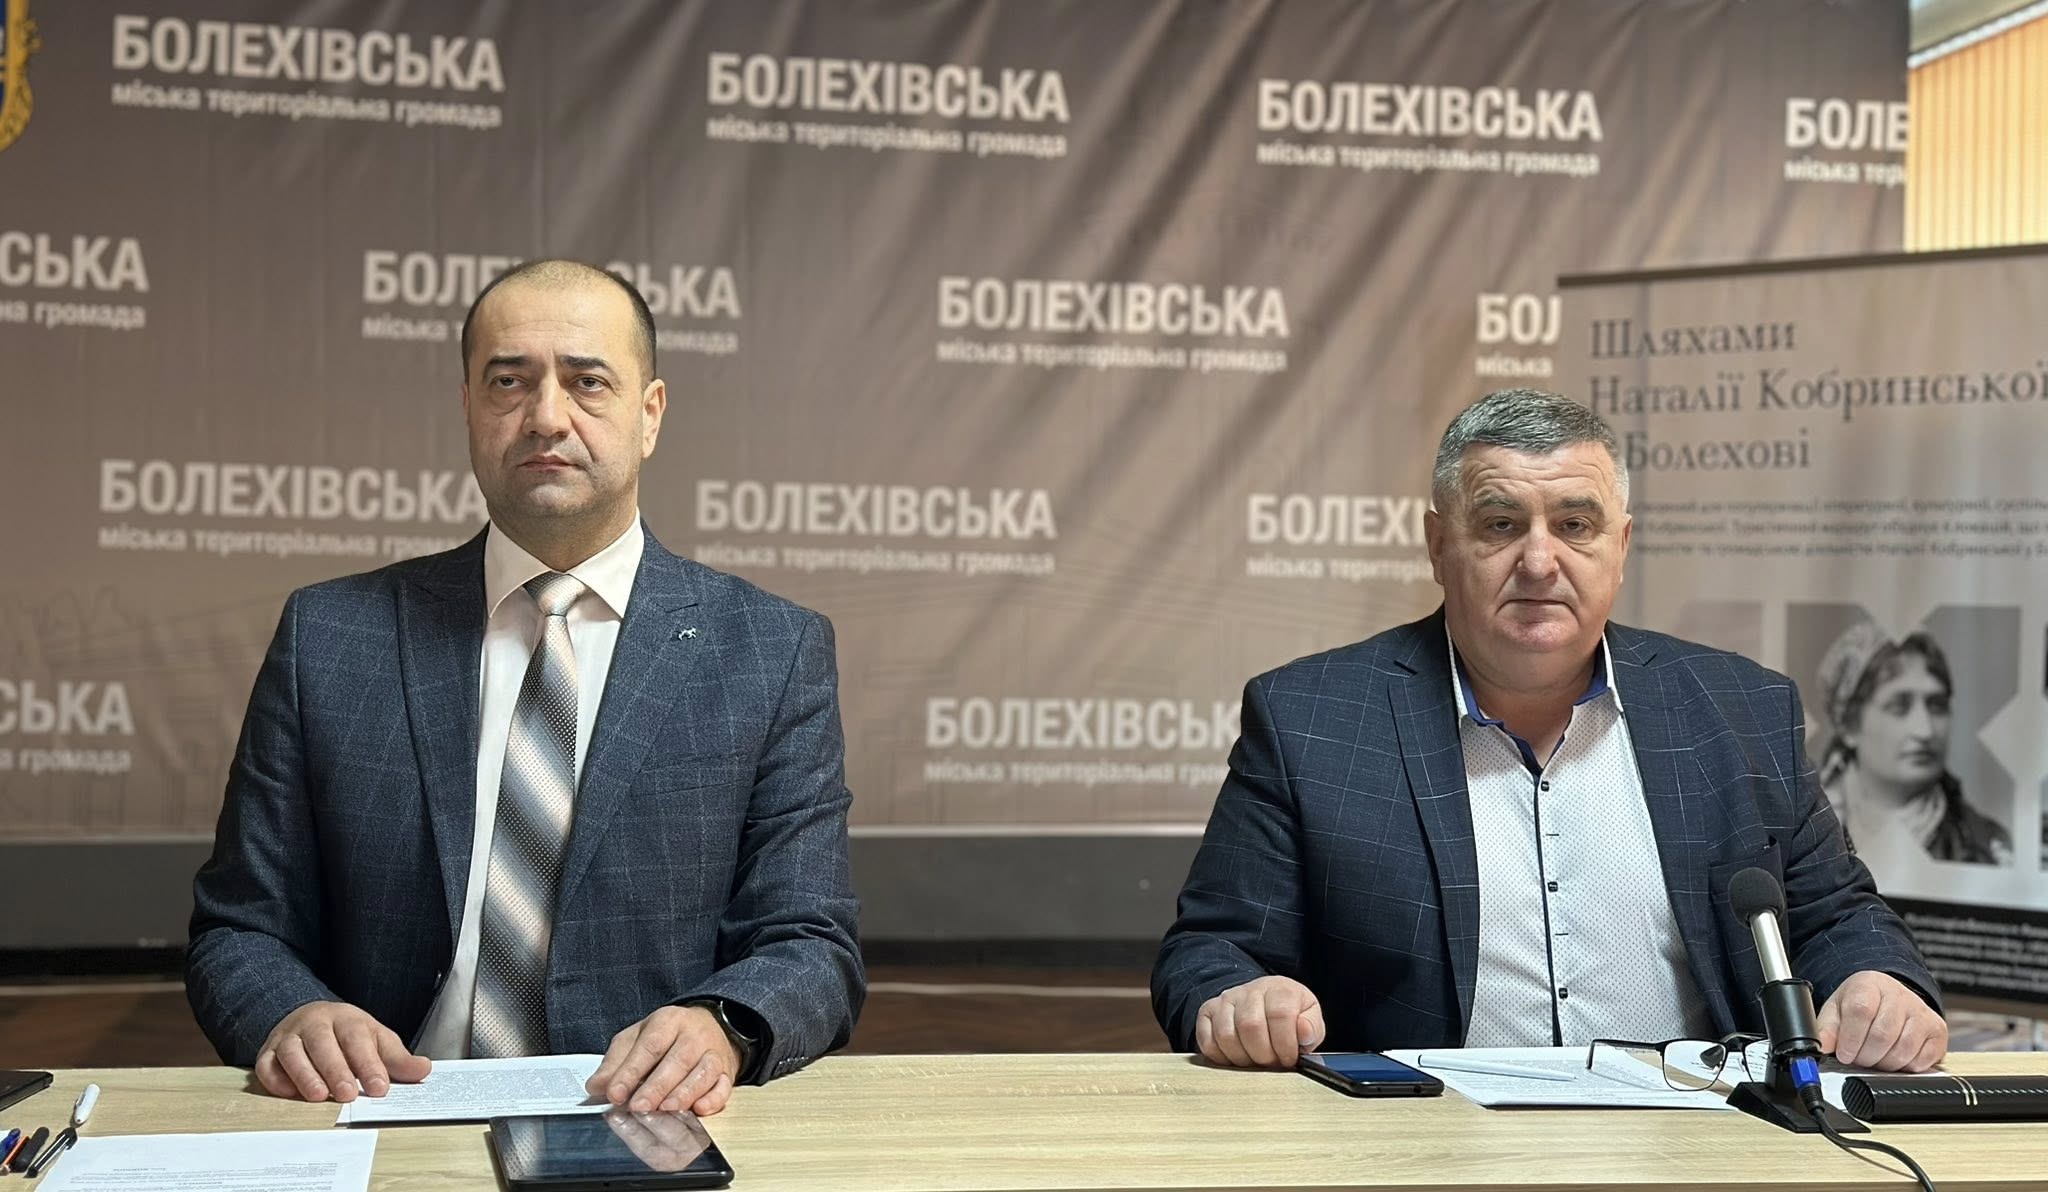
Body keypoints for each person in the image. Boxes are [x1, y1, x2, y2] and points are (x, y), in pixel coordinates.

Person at [187, 259, 864, 1116]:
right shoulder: (329, 637)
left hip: (640, 1120)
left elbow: (811, 943)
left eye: (588, 382)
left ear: (650, 415)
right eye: (509, 381)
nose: (546, 415)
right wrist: (292, 1014)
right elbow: (239, 930)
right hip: (379, 1109)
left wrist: (723, 1024)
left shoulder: (770, 651)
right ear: (468, 409)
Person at [1153, 389, 1947, 1075]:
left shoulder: (1742, 710)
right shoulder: (1311, 720)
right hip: (1419, 1153)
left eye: (1575, 524)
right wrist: (1240, 997)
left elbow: (1840, 920)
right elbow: (1213, 951)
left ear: (1620, 547)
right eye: (1501, 524)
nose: (1540, 562)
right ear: (1439, 546)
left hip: (1692, 1148)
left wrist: (1878, 982)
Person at [1816, 622, 2011, 868]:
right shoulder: (1805, 833)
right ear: (1849, 726)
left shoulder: (1990, 847)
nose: (1925, 730)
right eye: (1899, 707)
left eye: (1937, 705)